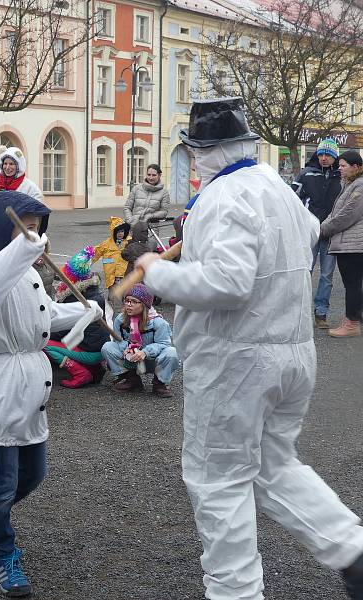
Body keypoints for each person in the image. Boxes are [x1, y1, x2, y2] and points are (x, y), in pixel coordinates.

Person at [137, 97, 363, 600]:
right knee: (272, 465)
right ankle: (353, 551)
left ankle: (235, 593)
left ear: (216, 150)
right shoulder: (275, 186)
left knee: (219, 483)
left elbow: (228, 283)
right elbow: (307, 233)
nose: (194, 160)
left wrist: (159, 272)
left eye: (198, 151)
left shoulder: (222, 198)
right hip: (291, 353)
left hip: (235, 361)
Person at [0, 191, 102, 597]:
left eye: (38, 230)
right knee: (4, 482)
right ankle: (3, 556)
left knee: (34, 474)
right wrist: (22, 251)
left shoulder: (31, 274)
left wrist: (87, 311)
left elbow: (45, 317)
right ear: (7, 230)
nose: (36, 238)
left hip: (31, 382)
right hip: (1, 383)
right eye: (27, 229)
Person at [44, 246, 109, 389]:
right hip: (101, 349)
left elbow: (64, 330)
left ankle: (80, 373)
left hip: (90, 351)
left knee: (45, 344)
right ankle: (94, 368)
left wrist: (45, 331)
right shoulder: (95, 293)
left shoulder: (75, 300)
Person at [293, 138, 342, 327]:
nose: (323, 158)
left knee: (327, 275)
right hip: (309, 233)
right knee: (305, 271)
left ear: (335, 157)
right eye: (321, 154)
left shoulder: (341, 177)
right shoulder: (306, 174)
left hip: (331, 234)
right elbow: (293, 199)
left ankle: (321, 313)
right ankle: (300, 310)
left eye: (328, 155)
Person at [99, 284, 178, 397]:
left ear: (145, 305)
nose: (129, 305)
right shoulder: (120, 320)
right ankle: (131, 379)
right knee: (108, 347)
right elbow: (118, 341)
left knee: (172, 353)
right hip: (130, 359)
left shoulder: (158, 323)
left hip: (152, 359)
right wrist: (128, 348)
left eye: (134, 302)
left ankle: (159, 383)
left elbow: (164, 344)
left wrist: (145, 352)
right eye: (127, 301)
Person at [319, 149, 363, 338]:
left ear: (356, 167)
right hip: (348, 243)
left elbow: (346, 215)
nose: (340, 169)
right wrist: (324, 225)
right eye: (339, 166)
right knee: (353, 284)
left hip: (353, 244)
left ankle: (351, 324)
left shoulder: (359, 186)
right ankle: (355, 319)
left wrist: (323, 229)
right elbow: (335, 212)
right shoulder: (349, 184)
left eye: (343, 166)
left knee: (352, 284)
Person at [0, 147, 43, 216]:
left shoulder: (30, 188)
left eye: (11, 164)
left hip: (17, 226)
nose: (7, 167)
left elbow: (37, 211)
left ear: (19, 166)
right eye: (5, 163)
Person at [93, 216, 131, 294]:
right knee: (113, 294)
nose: (120, 234)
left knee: (125, 293)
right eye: (118, 231)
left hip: (124, 273)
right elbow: (95, 253)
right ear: (114, 232)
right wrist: (85, 260)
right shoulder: (106, 244)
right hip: (111, 274)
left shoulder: (129, 241)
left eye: (122, 231)